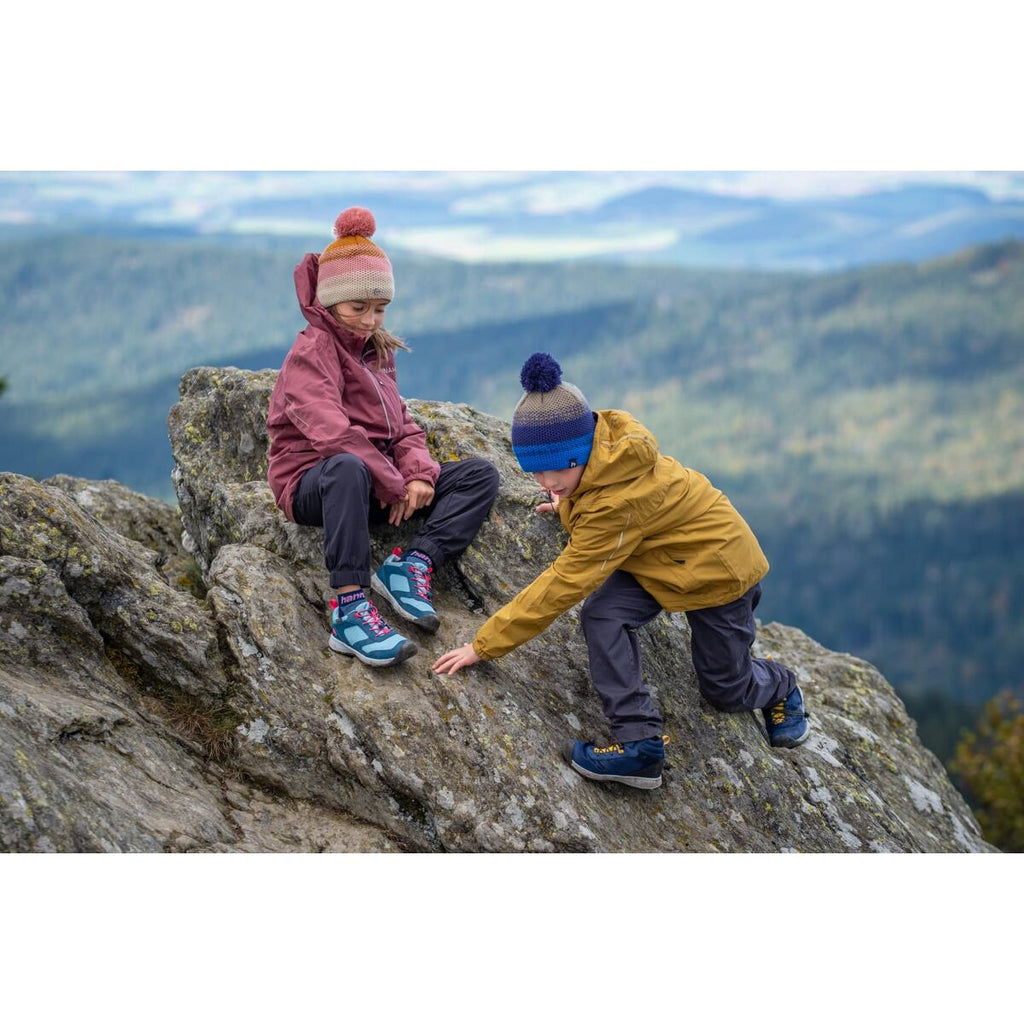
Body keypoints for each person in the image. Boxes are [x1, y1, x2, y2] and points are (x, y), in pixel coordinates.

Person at [433, 352, 809, 789]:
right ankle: (639, 745)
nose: (546, 484)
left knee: (725, 689)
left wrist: (485, 644)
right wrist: (566, 500)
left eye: (556, 473)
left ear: (580, 455)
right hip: (656, 559)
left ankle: (781, 685)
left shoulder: (617, 501)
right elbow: (591, 493)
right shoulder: (597, 453)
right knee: (603, 614)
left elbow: (564, 582)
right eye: (536, 473)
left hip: (719, 573)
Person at [266, 207, 499, 667]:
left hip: (374, 482)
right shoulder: (310, 353)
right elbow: (334, 437)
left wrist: (418, 477)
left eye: (380, 308)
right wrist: (392, 483)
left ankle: (410, 565)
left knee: (479, 476)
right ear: (331, 301)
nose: (371, 320)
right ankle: (350, 612)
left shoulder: (374, 349)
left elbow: (402, 424)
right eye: (360, 308)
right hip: (315, 484)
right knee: (348, 467)